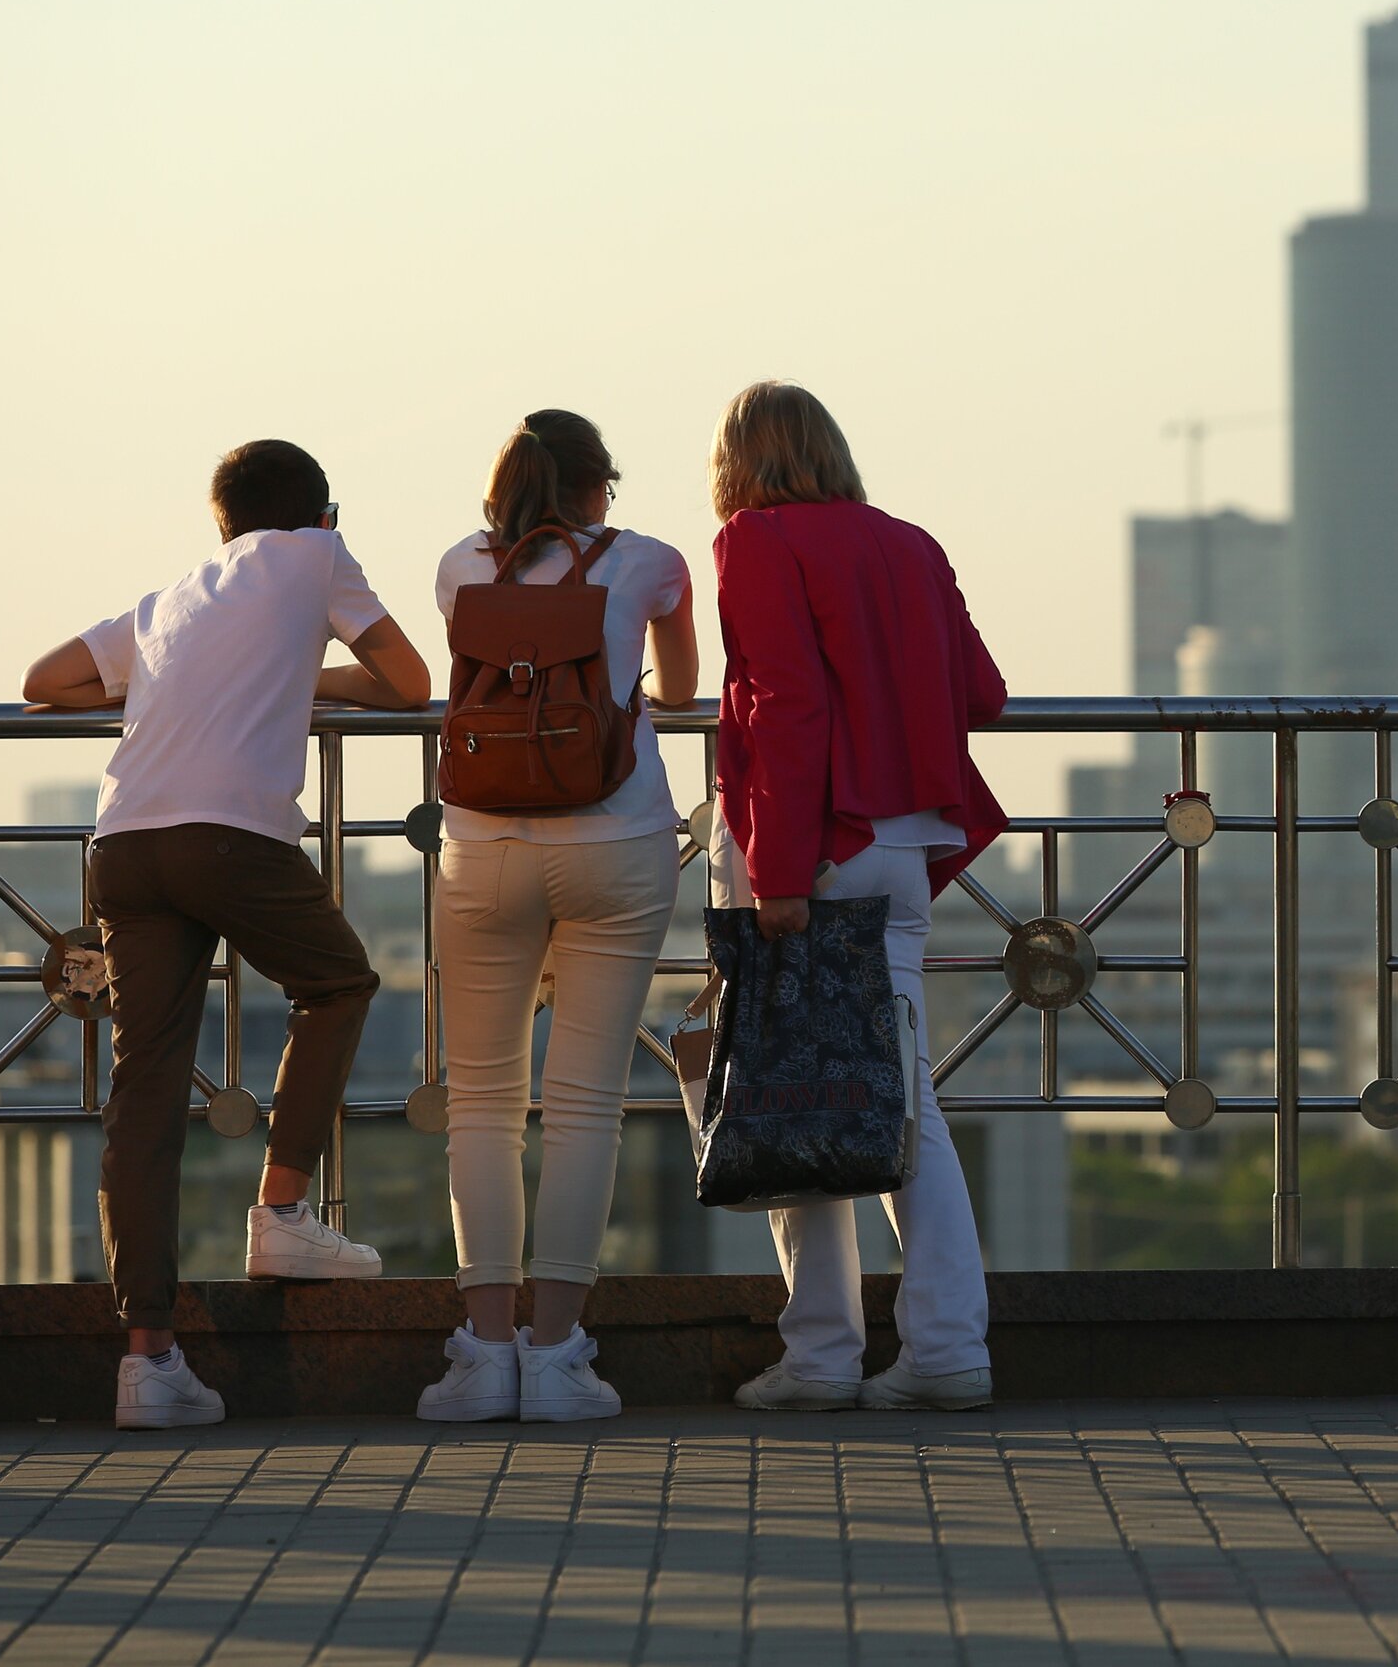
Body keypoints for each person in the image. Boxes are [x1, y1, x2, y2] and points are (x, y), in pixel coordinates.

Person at [21, 439, 430, 1430]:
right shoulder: (316, 557)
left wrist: (174, 690)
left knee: (146, 1082)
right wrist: (317, 680)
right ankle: (283, 1214)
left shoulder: (168, 601)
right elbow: (413, 680)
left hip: (124, 842)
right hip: (227, 835)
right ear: (318, 514)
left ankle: (148, 1357)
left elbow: (44, 682)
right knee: (337, 985)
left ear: (221, 522)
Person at [709, 381, 1008, 1413]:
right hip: (906, 841)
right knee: (896, 1090)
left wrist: (777, 870)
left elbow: (785, 701)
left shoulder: (757, 538)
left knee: (792, 1081)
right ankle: (939, 1341)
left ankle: (831, 1351)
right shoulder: (910, 542)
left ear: (740, 460)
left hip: (815, 842)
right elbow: (985, 691)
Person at [415, 411, 699, 1424]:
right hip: (614, 841)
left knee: (483, 1103)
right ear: (597, 488)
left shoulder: (459, 566)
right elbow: (681, 685)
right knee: (584, 1104)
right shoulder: (651, 561)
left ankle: (484, 1356)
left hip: (483, 845)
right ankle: (558, 1355)